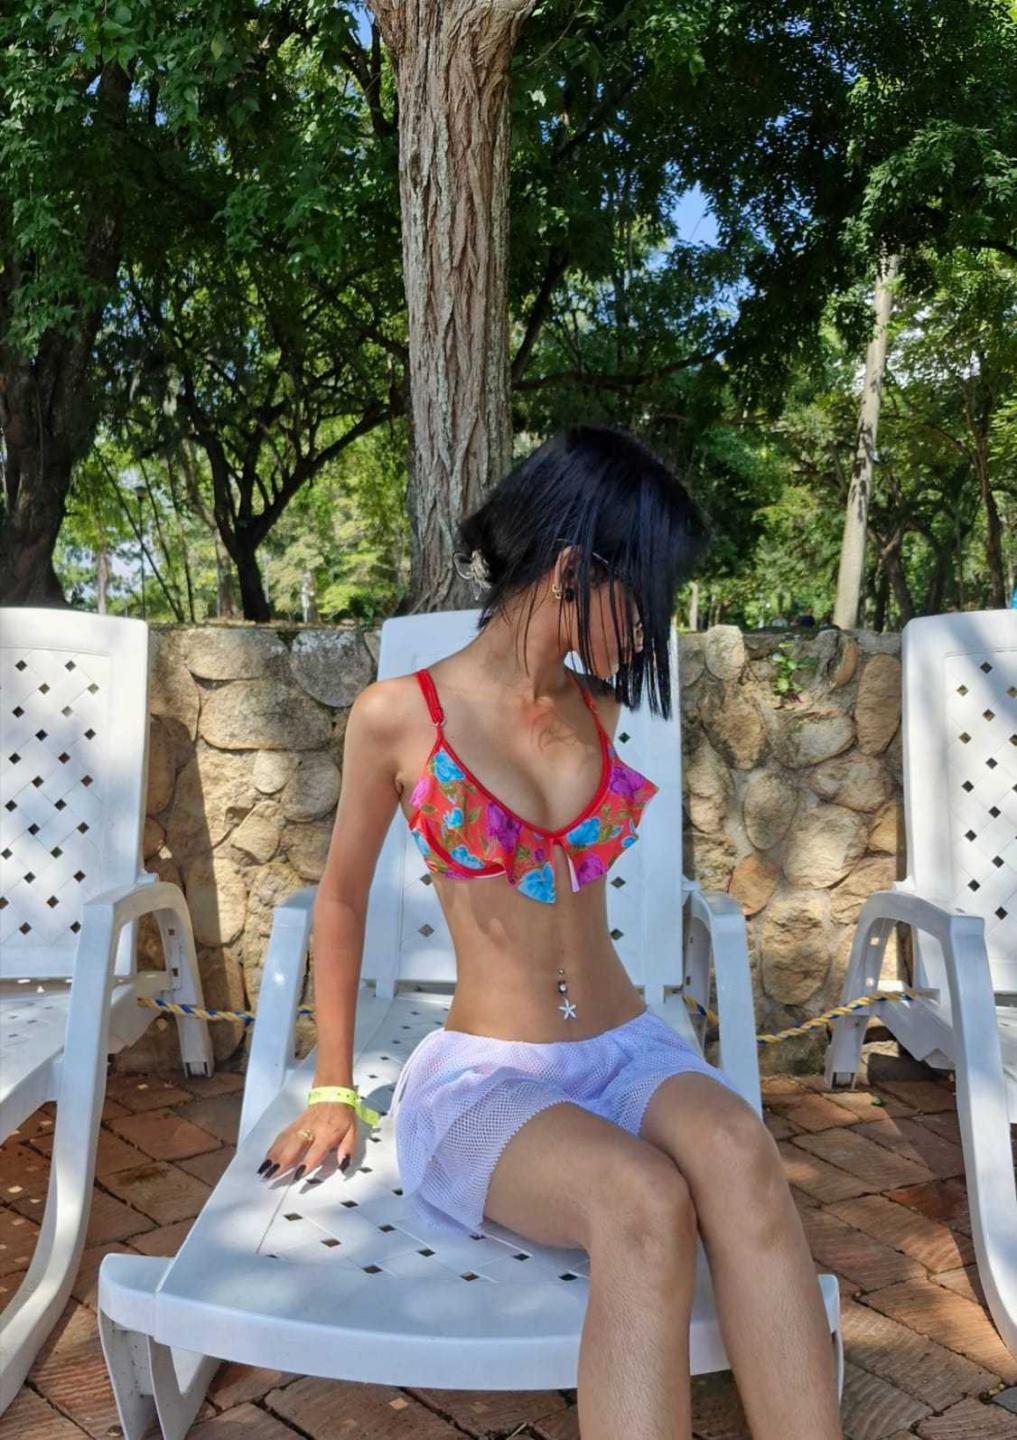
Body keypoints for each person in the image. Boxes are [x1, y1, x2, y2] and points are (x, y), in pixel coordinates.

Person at [259, 425, 844, 1440]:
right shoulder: (400, 715)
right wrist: (333, 1085)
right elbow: (341, 898)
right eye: (643, 594)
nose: (652, 625)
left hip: (629, 1048)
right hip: (489, 1076)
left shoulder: (602, 710)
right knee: (642, 1201)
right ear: (574, 569)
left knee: (740, 1151)